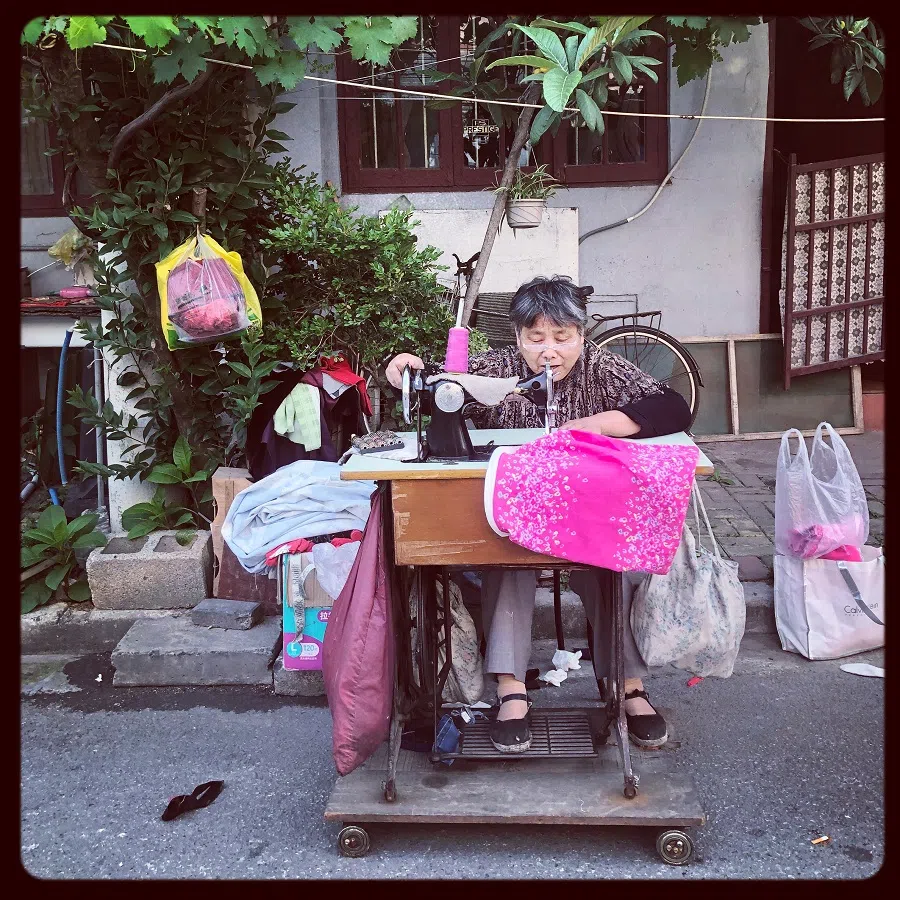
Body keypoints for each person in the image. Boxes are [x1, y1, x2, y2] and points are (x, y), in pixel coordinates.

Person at [385, 275, 692, 753]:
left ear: (581, 335)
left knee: (614, 566)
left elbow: (672, 407)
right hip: (520, 513)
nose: (550, 351)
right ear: (518, 338)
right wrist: (406, 372)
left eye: (563, 337)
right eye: (536, 338)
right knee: (507, 558)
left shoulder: (601, 368)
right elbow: (441, 391)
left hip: (585, 512)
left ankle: (627, 685)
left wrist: (594, 425)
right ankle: (511, 689)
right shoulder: (498, 369)